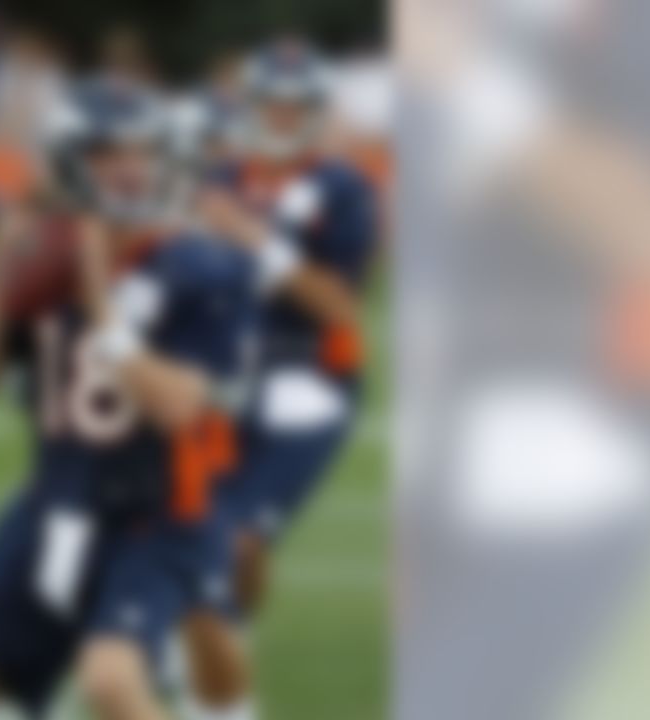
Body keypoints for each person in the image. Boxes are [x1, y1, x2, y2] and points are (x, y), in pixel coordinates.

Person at [0, 75, 258, 720]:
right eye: (106, 151)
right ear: (69, 160)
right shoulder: (46, 259)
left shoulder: (202, 265)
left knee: (113, 683)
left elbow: (180, 407)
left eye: (143, 150)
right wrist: (1, 290)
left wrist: (103, 308)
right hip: (56, 501)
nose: (129, 167)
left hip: (159, 513)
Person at [181, 38, 380, 720]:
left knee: (240, 539)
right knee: (196, 536)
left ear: (316, 109)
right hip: (215, 375)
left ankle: (224, 664)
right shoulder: (215, 179)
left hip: (309, 379)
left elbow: (339, 305)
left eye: (298, 103)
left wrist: (253, 239)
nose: (285, 114)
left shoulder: (342, 186)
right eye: (274, 100)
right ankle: (222, 662)